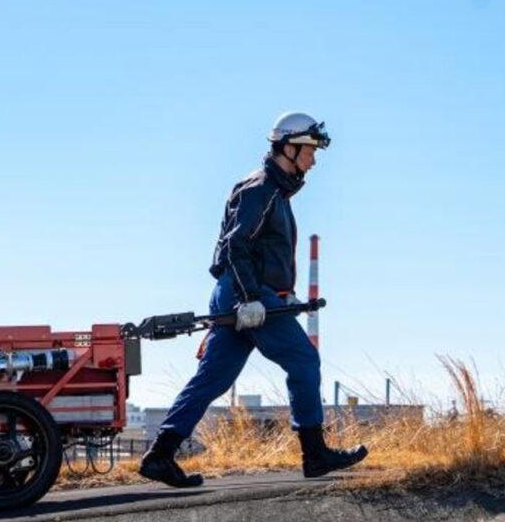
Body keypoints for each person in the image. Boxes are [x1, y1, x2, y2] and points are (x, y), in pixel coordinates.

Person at [139, 112, 368, 488]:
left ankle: (160, 455)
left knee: (212, 379)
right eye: (309, 151)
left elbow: (257, 250)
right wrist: (250, 298)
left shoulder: (273, 191)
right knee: (303, 359)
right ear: (288, 147)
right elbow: (236, 245)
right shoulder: (260, 189)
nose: (313, 160)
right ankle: (315, 453)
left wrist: (283, 294)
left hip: (249, 294)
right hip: (247, 295)